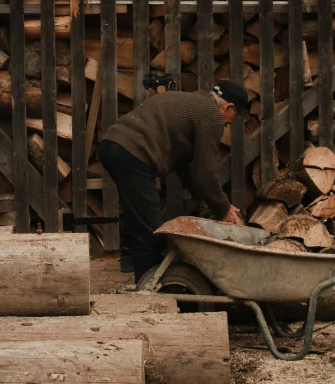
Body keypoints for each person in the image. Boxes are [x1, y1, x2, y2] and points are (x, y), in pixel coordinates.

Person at [99, 80, 249, 283]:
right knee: (150, 226)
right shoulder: (211, 115)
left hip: (112, 144)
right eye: (235, 116)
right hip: (133, 153)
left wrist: (206, 201)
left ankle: (129, 261)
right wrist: (224, 209)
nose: (231, 122)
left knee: (137, 210)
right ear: (228, 107)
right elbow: (205, 173)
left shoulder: (191, 102)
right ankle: (148, 284)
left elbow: (187, 169)